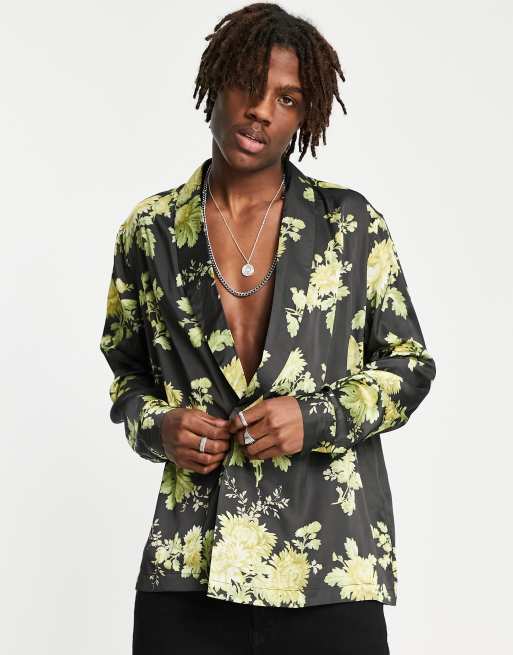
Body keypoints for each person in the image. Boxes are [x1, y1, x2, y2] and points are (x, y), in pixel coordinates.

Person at [99, 3, 436, 653]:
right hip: (188, 566)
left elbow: (409, 364)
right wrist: (159, 427)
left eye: (286, 99)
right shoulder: (151, 231)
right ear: (215, 81)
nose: (260, 110)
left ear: (304, 116)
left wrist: (314, 417)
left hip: (328, 565)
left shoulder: (350, 224)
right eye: (248, 86)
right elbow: (127, 374)